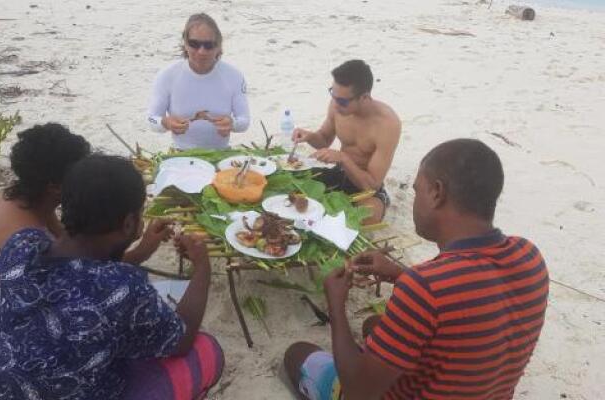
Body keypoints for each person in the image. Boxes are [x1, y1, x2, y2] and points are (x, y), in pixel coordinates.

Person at [284, 139, 549, 400]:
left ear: (436, 192)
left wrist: (336, 305)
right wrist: (401, 274)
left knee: (298, 354)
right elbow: (466, 298)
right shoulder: (530, 256)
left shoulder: (425, 288)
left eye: (416, 190)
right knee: (374, 326)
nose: (414, 201)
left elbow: (359, 393)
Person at [0, 155, 222, 400]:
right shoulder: (125, 288)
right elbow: (182, 337)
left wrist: (142, 251)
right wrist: (202, 268)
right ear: (130, 223)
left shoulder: (20, 244)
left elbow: (81, 272)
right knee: (206, 350)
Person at [0, 123, 171, 326]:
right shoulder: (28, 241)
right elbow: (89, 276)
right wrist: (140, 250)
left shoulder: (15, 198)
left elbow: (78, 251)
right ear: (54, 186)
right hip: (7, 326)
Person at [293, 60, 401, 225]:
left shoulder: (387, 124)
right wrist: (309, 136)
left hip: (365, 188)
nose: (335, 104)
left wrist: (343, 158)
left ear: (364, 97)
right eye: (332, 95)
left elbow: (371, 185)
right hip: (339, 174)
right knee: (292, 186)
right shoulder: (337, 104)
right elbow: (324, 139)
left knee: (368, 216)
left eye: (342, 101)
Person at [147, 13, 250, 149]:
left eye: (209, 45)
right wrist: (166, 123)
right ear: (185, 43)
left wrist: (233, 124)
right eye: (194, 44)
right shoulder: (167, 75)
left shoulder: (234, 76)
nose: (201, 51)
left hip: (220, 153)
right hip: (180, 153)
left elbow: (244, 121)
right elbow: (151, 119)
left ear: (219, 46)